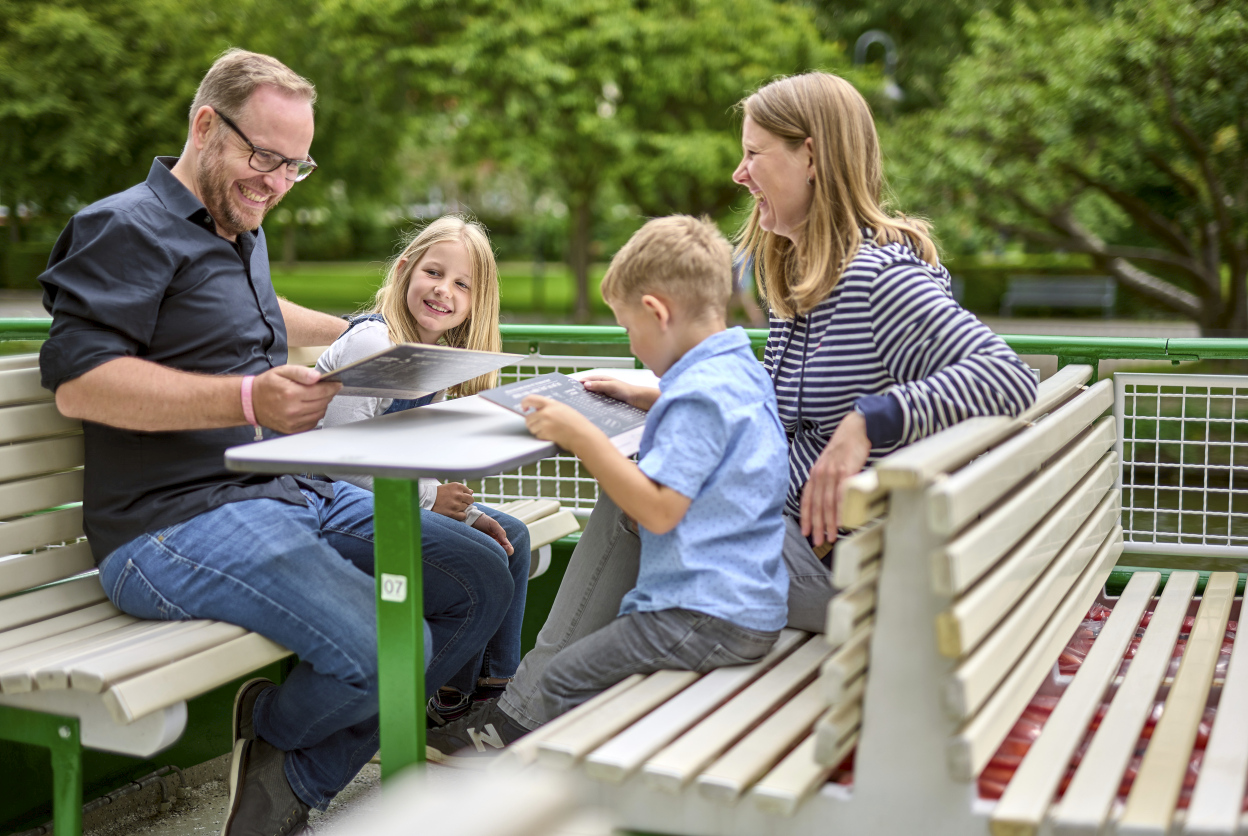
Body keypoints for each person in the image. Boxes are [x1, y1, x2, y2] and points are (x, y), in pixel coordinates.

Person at [425, 71, 1038, 762]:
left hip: (841, 568)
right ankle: (536, 708)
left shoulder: (876, 278)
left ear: (812, 156)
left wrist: (868, 422)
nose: (739, 173)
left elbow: (1007, 378)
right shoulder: (807, 272)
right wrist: (657, 398)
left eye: (755, 154)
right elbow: (775, 408)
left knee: (642, 500)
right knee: (645, 479)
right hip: (798, 538)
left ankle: (523, 718)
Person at [36, 50, 499, 834]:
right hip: (170, 526)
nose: (278, 183)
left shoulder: (239, 227)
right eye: (265, 158)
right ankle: (284, 751)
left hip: (282, 494)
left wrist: (358, 331)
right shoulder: (121, 228)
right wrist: (248, 395)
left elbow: (251, 313)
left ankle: (284, 772)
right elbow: (80, 382)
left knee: (479, 577)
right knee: (392, 648)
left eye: (295, 166)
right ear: (206, 125)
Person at [508, 215, 788, 720]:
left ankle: (590, 796)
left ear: (657, 312)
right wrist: (649, 393)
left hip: (700, 614)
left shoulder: (695, 399)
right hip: (747, 604)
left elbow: (659, 512)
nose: (632, 347)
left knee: (564, 680)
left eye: (629, 329)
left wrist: (583, 437)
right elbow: (716, 419)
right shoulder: (738, 366)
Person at [316, 215, 530, 727]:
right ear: (406, 269)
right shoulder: (375, 343)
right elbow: (338, 459)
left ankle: (478, 699)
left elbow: (403, 460)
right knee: (482, 559)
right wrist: (433, 499)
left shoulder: (428, 358)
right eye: (434, 273)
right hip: (323, 507)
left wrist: (466, 510)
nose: (443, 291)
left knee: (513, 538)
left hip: (378, 501)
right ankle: (437, 711)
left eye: (462, 284)